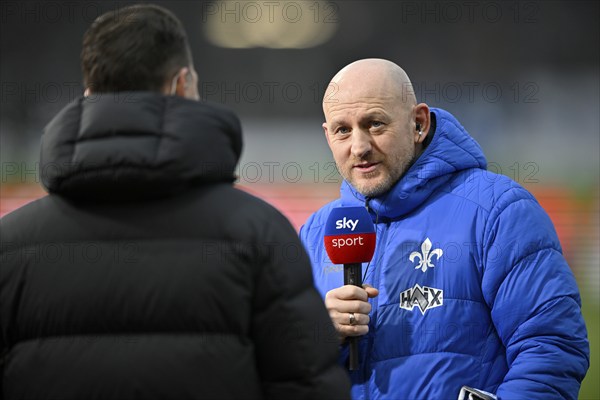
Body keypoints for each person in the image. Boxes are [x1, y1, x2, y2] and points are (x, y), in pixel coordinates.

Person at [0, 5, 350, 399]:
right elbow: (306, 386)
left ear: (89, 94)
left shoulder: (9, 245)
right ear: (182, 85)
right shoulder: (260, 234)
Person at [300, 58, 590, 399]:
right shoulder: (315, 232)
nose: (359, 146)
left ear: (419, 123)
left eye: (375, 124)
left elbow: (551, 347)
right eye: (342, 130)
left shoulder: (499, 211)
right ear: (327, 135)